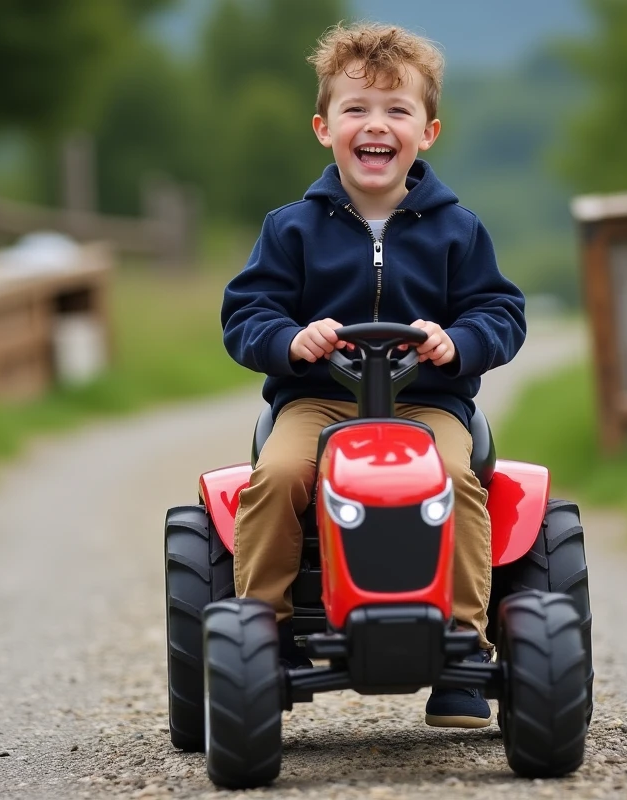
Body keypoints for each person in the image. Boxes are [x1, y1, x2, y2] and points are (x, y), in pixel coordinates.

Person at [220, 21, 527, 729]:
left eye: (397, 110)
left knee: (457, 479)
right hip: (320, 405)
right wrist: (293, 339)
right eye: (357, 110)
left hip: (427, 409)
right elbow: (248, 313)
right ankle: (256, 641)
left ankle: (461, 652)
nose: (376, 125)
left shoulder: (459, 231)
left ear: (429, 131)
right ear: (324, 128)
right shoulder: (291, 228)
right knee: (273, 476)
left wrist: (458, 340)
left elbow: (499, 310)